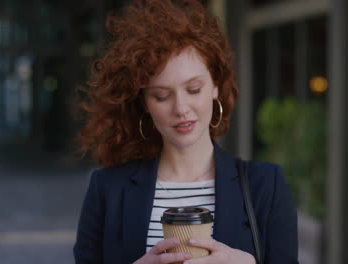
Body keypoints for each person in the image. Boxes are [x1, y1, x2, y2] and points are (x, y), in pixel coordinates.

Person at [73, 0, 298, 263]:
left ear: (215, 86)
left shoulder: (266, 186)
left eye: (194, 89)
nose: (181, 108)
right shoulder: (107, 189)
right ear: (144, 103)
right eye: (161, 96)